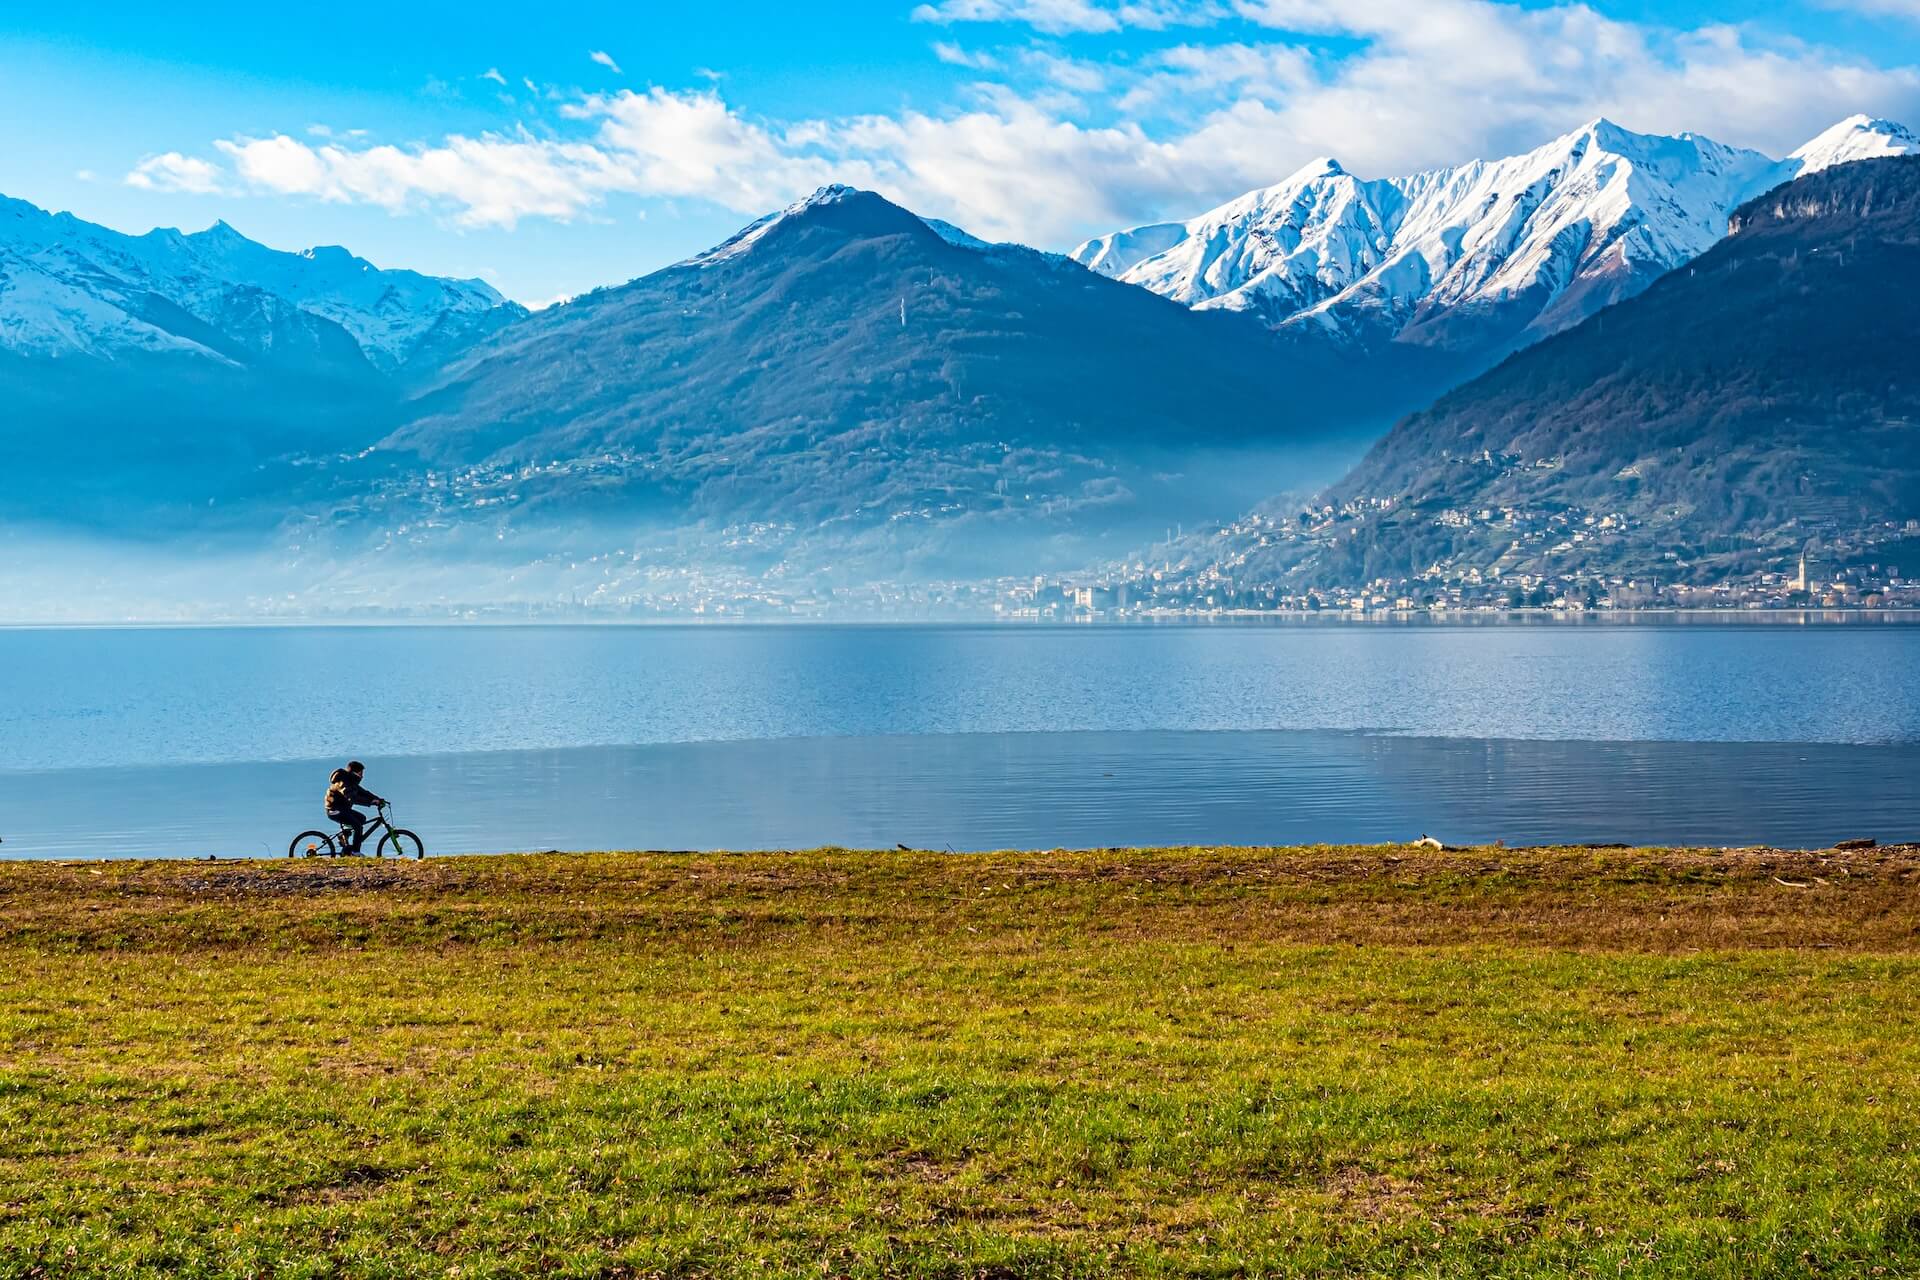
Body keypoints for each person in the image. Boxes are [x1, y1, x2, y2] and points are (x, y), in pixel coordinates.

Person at [325, 760, 386, 853]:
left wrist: (377, 799)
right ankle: (355, 851)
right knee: (357, 826)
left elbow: (363, 792)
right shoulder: (343, 782)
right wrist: (371, 802)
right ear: (354, 773)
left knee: (361, 818)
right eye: (360, 773)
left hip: (342, 809)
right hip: (334, 810)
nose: (362, 776)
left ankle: (344, 836)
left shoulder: (350, 781)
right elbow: (352, 798)